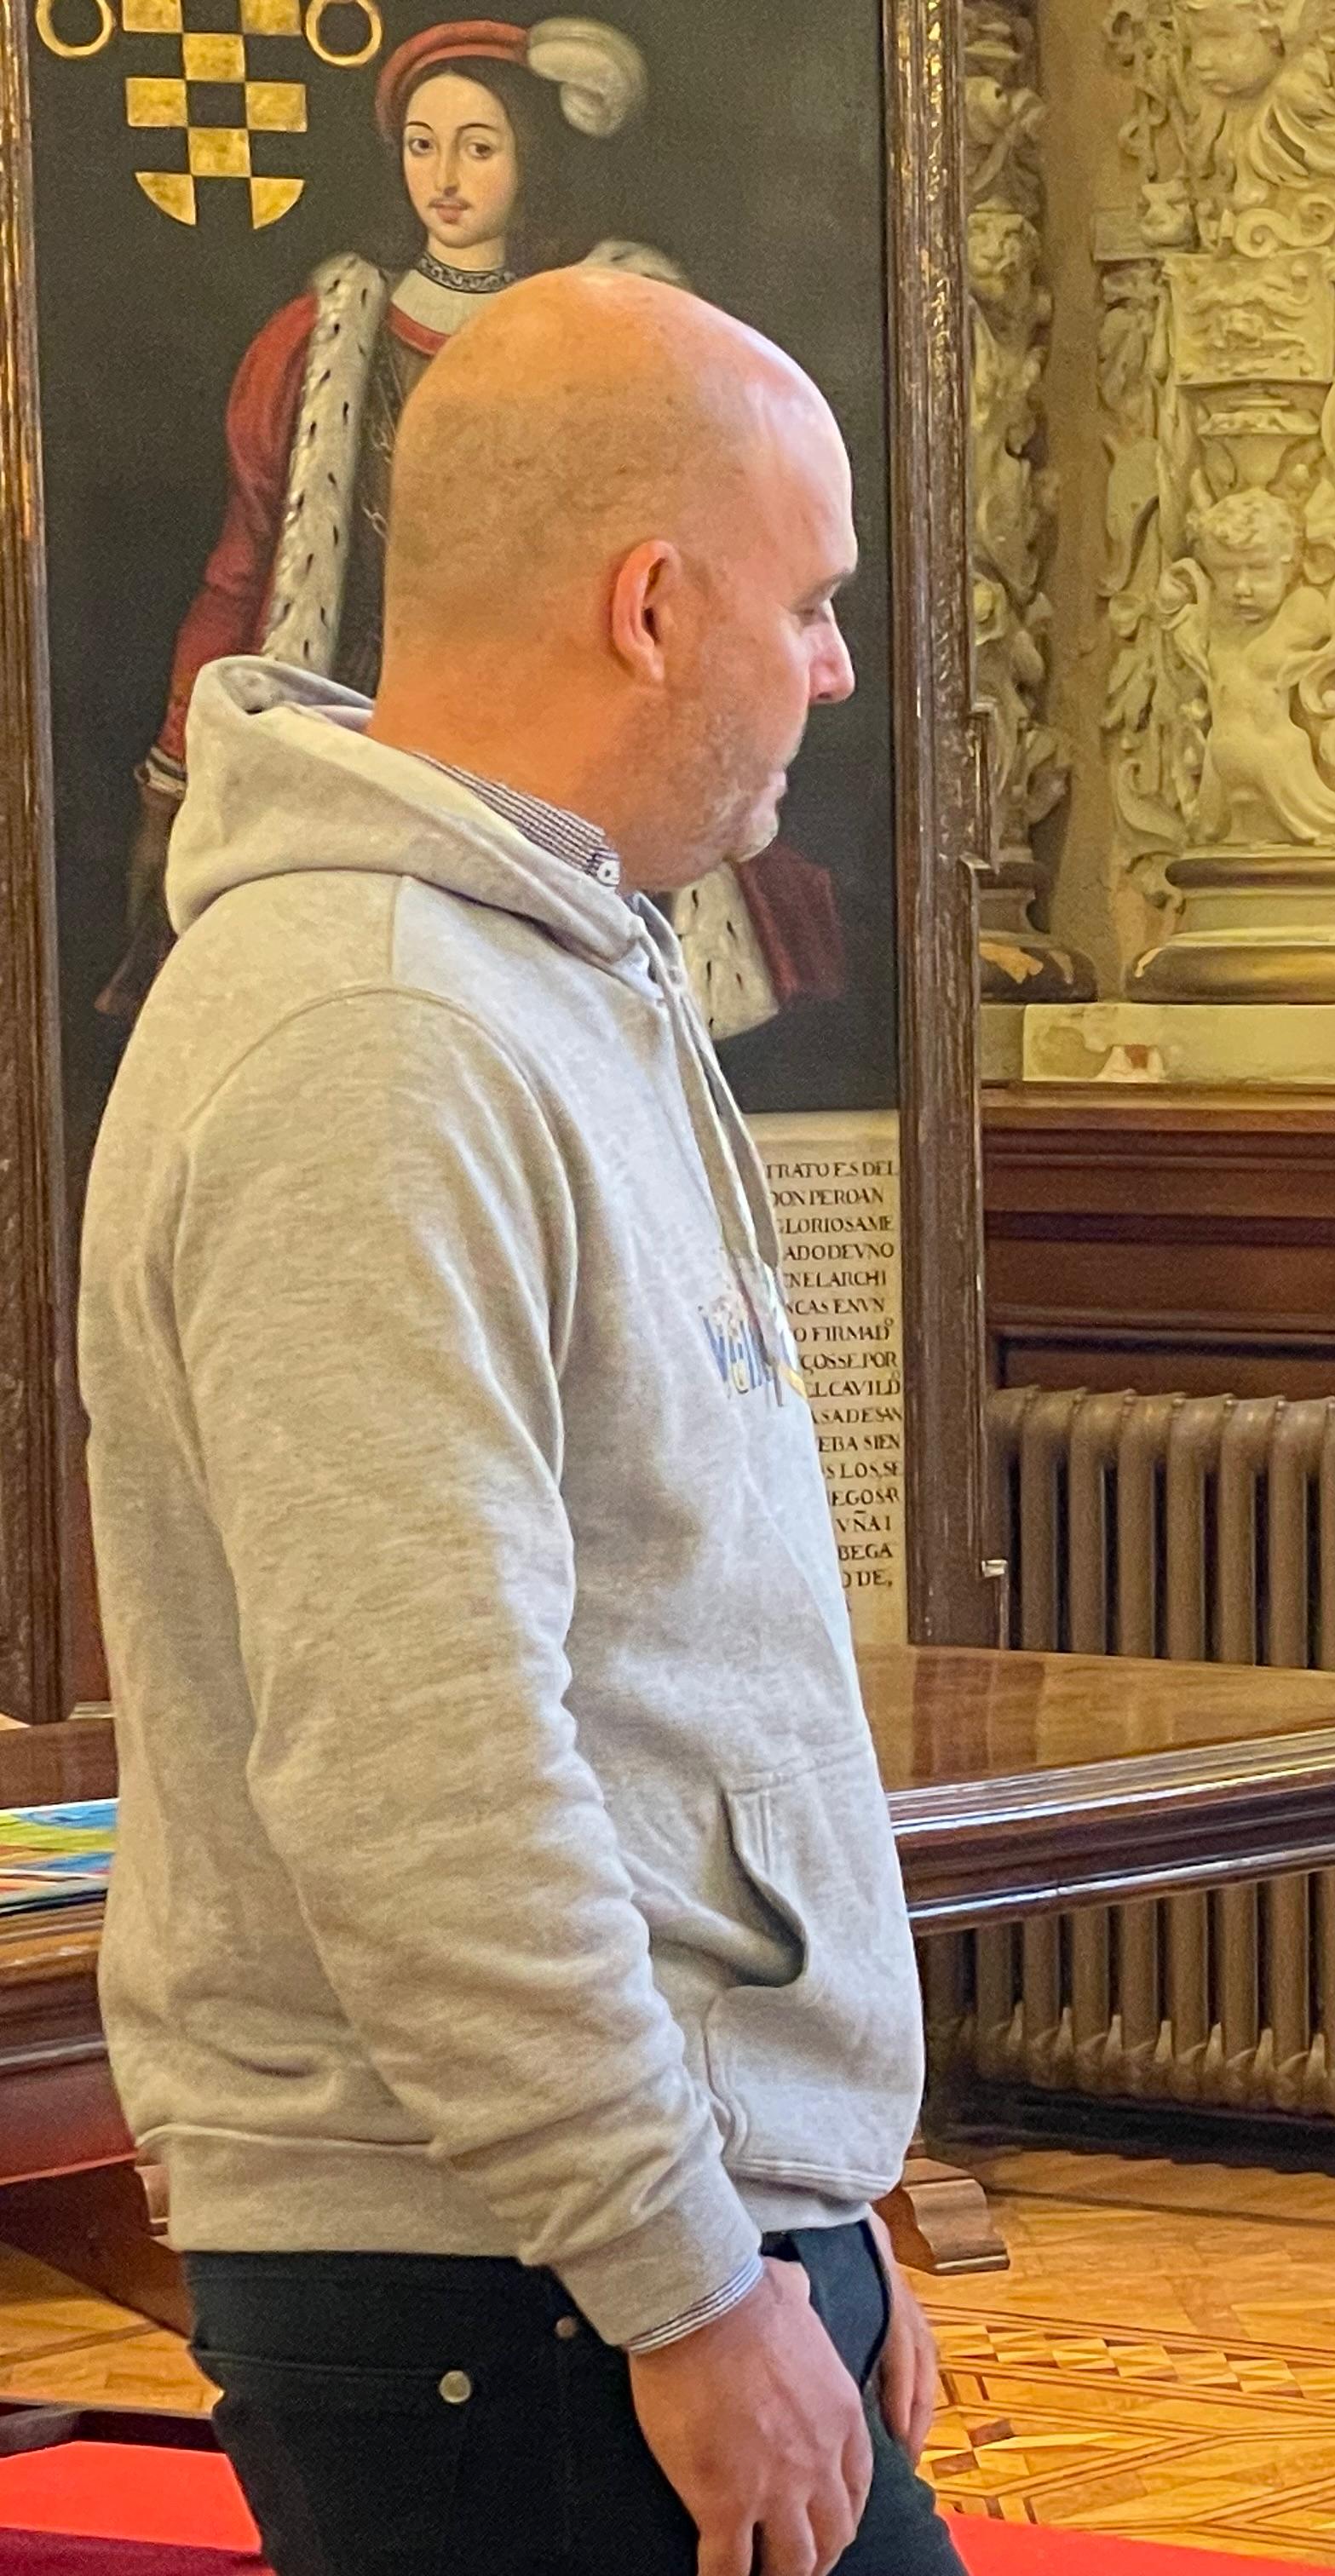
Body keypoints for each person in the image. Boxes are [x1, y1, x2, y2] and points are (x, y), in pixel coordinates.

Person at [75, 268, 958, 2576]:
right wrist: (686, 2273)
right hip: (515, 2285)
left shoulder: (539, 964)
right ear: (651, 608)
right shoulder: (374, 1035)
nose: (832, 666)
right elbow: (420, 1764)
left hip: (609, 2246)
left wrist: (808, 2196)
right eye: (810, 601)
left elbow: (665, 1652)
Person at [98, 14, 841, 1040]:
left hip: (564, 763)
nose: (444, 178)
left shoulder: (619, 334)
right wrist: (174, 772)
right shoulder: (321, 342)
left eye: (478, 147)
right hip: (369, 738)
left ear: (529, 157)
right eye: (421, 145)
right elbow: (243, 570)